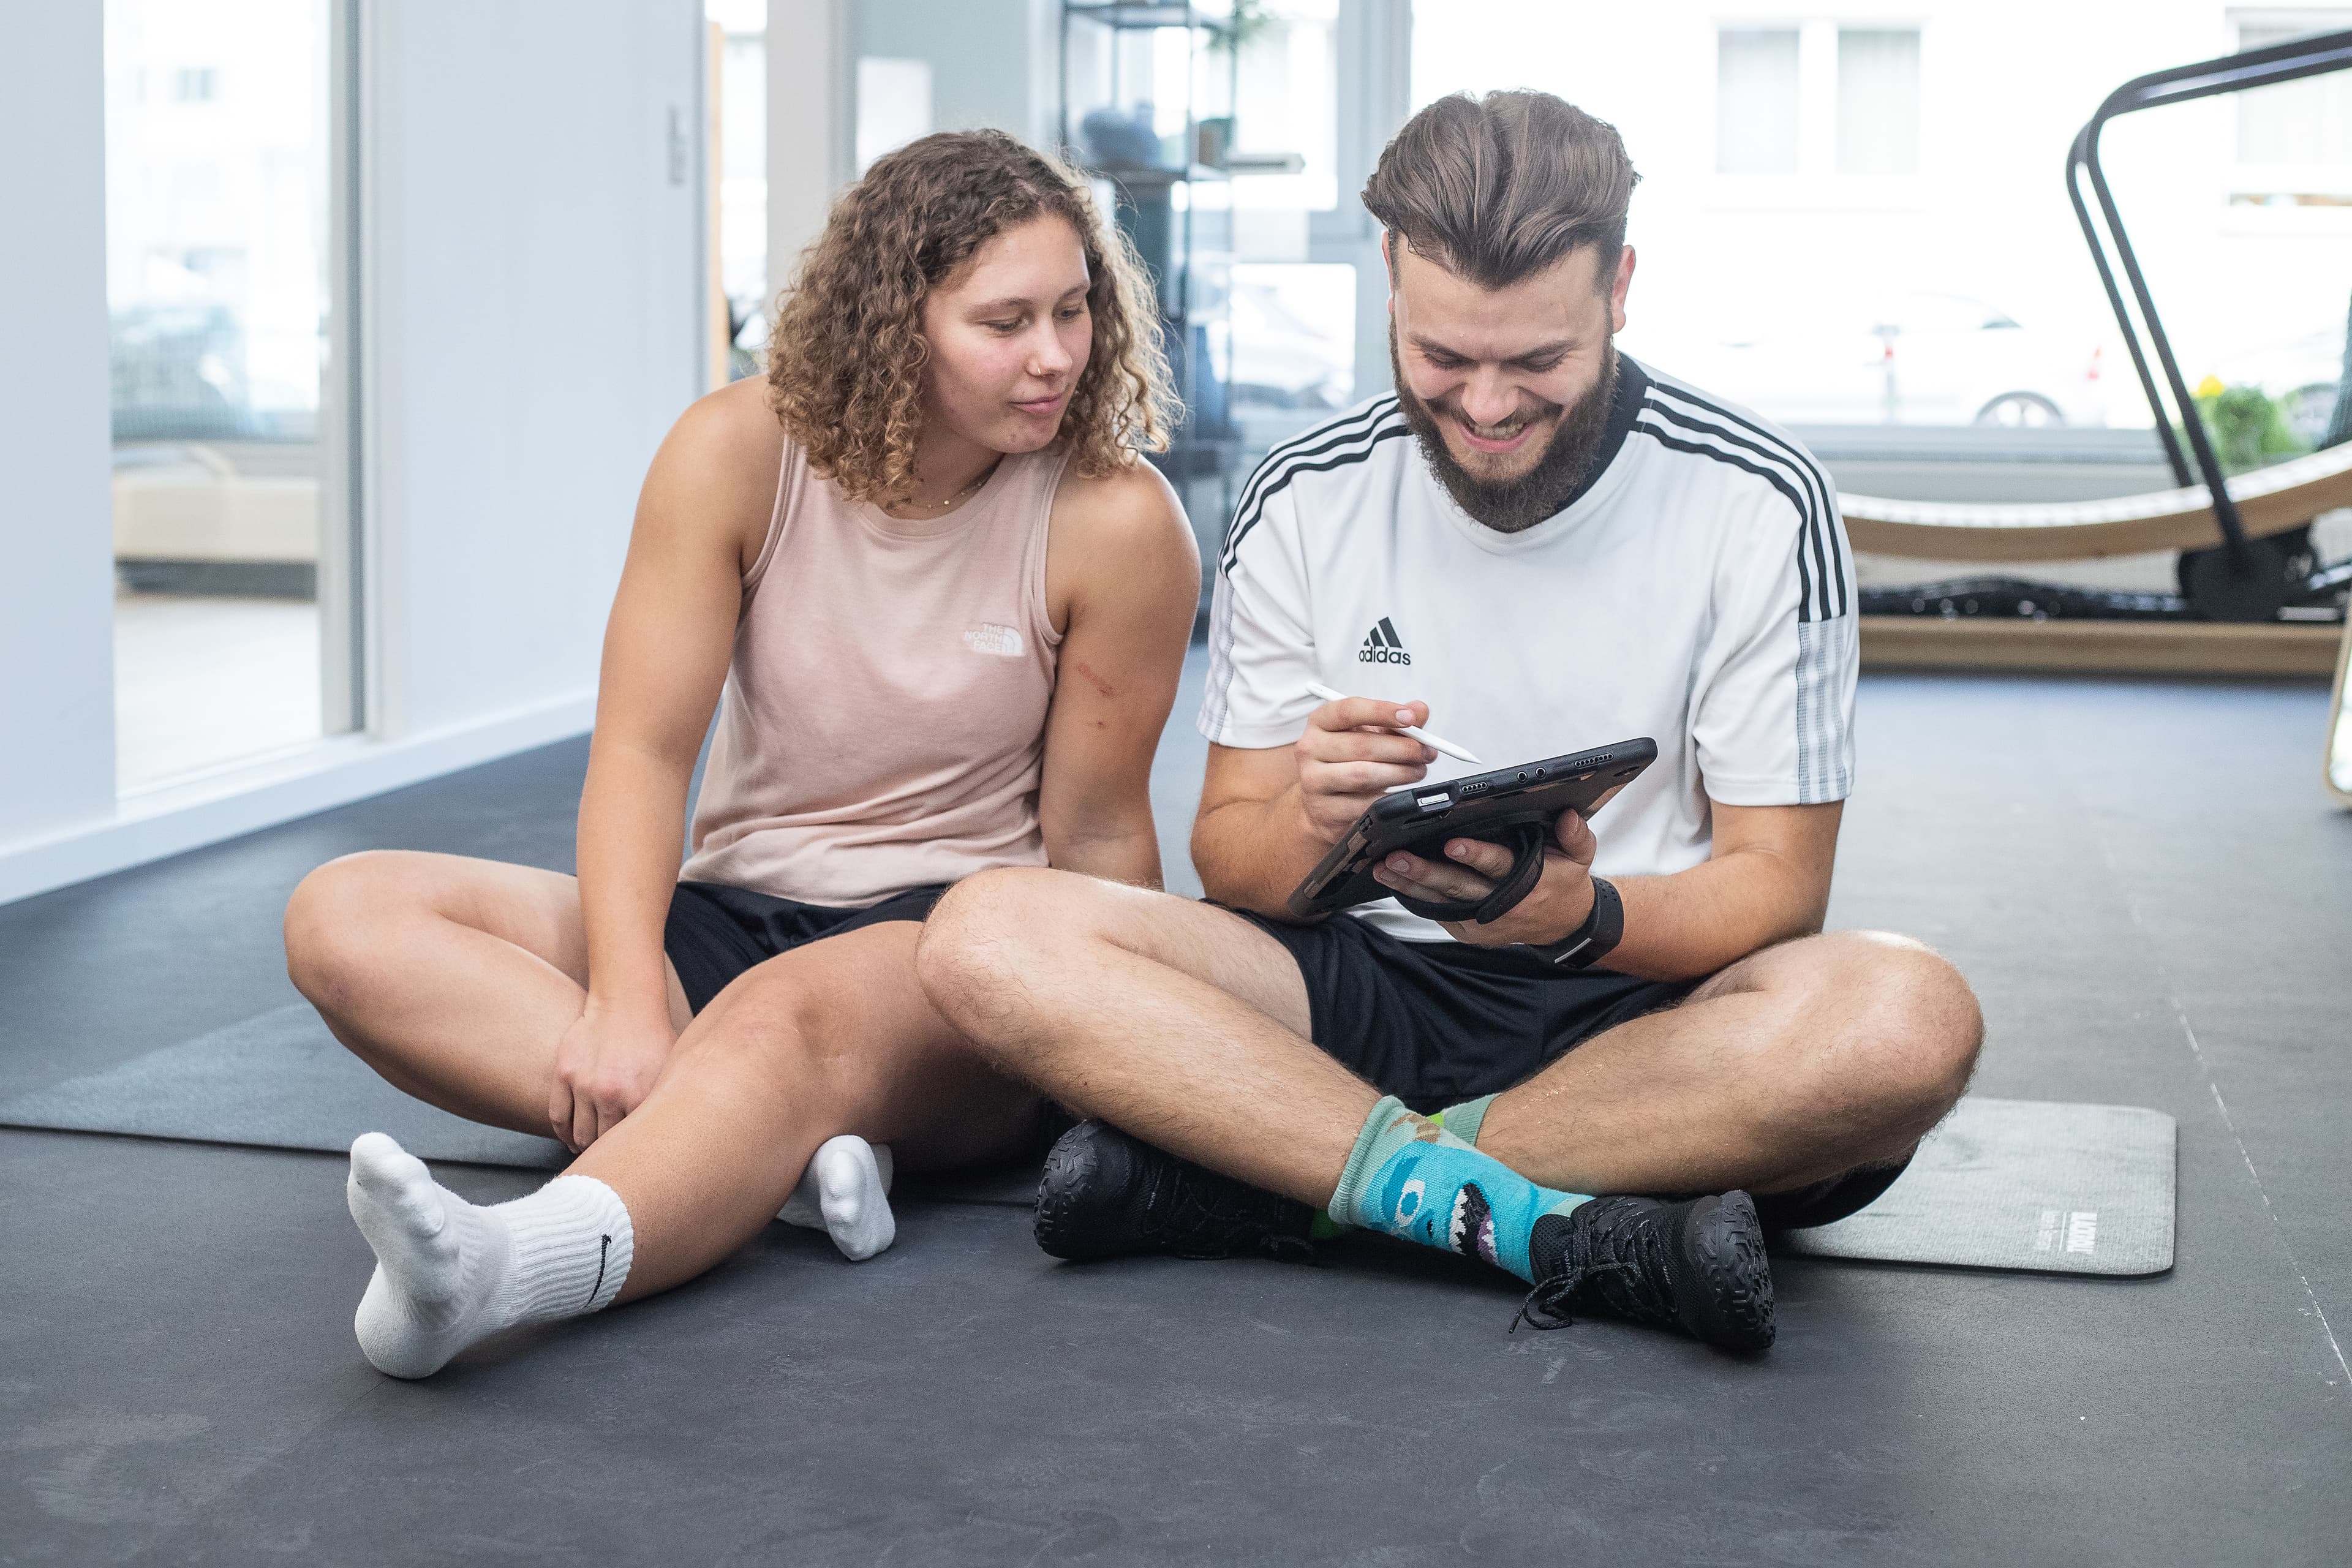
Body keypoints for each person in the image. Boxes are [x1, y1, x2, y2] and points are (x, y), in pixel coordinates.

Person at [914, 91, 1984, 1354]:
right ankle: (1537, 1214)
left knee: (1910, 1020)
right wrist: (1315, 822)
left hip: (1640, 1013)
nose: (1484, 404)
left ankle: (1288, 1179)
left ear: (1620, 286)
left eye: (1536, 362)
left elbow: (1776, 888)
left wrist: (1582, 915)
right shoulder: (1303, 494)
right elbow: (1233, 862)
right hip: (1362, 989)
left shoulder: (1758, 499)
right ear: (1390, 280)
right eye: (1441, 357)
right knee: (984, 932)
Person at [281, 130, 1200, 1378]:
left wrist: (1118, 1053)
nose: (1054, 355)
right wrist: (618, 998)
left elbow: (1094, 837)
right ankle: (760, 1145)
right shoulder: (736, 453)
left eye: (1076, 309)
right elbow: (646, 754)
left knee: (782, 1018)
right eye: (1006, 321)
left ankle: (507, 1269)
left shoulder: (1117, 517)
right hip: (726, 914)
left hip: (950, 951)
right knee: (344, 914)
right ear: (897, 325)